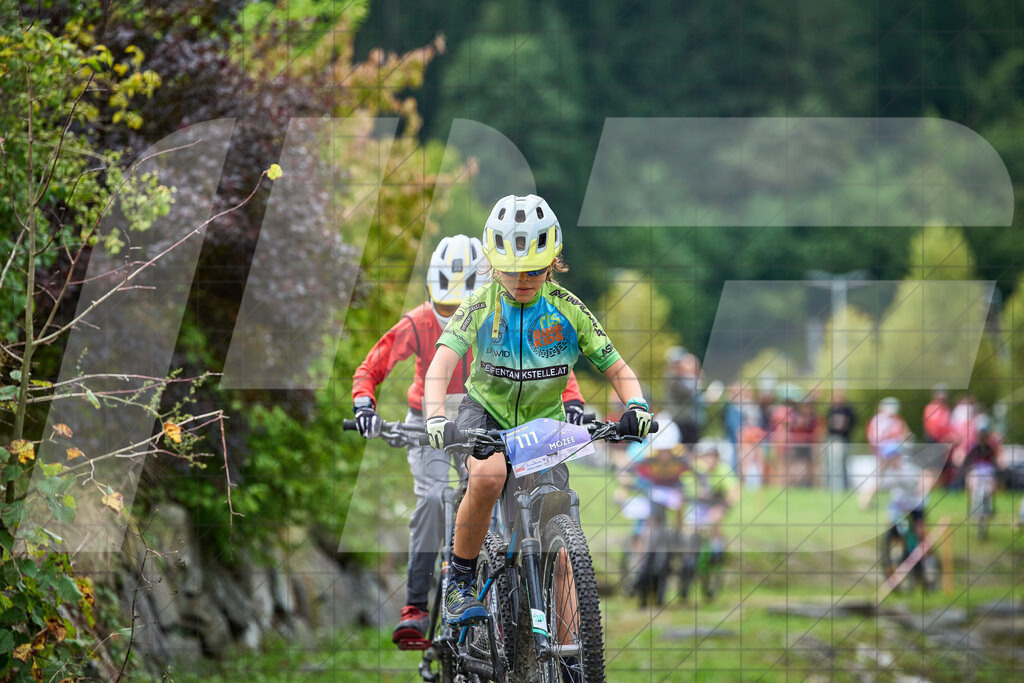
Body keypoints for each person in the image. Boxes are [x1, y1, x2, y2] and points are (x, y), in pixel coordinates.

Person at [423, 194, 652, 628]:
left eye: (534, 269)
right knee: (488, 476)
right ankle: (460, 581)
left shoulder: (568, 309)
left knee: (560, 539)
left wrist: (636, 405)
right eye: (510, 270)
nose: (522, 279)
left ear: (553, 263)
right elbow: (441, 366)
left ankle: (568, 656)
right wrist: (436, 415)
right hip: (484, 411)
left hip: (542, 426)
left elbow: (617, 368)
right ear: (493, 265)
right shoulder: (479, 305)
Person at [351, 234, 586, 646]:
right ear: (430, 296)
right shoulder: (419, 322)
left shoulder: (503, 314)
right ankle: (416, 607)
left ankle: (518, 598)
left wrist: (573, 402)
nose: (450, 314)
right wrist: (364, 406)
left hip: (489, 414)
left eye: (457, 305)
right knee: (430, 501)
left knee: (505, 496)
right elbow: (373, 365)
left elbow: (548, 368)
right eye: (443, 306)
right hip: (430, 418)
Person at [686, 439, 741, 561]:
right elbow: (686, 486)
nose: (709, 460)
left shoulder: (724, 470)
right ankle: (690, 554)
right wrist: (696, 492)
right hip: (699, 503)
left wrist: (723, 506)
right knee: (691, 526)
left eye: (712, 456)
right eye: (706, 456)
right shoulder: (696, 468)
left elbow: (734, 491)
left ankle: (717, 549)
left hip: (718, 503)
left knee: (714, 521)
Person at [859, 397, 912, 509]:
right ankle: (865, 501)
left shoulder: (896, 420)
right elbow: (875, 438)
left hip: (894, 453)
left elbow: (905, 435)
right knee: (880, 477)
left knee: (897, 476)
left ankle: (900, 502)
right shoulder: (879, 420)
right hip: (884, 453)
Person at [825, 387, 857, 491]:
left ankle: (846, 487)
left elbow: (854, 423)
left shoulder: (848, 410)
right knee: (834, 465)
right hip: (834, 440)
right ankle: (835, 488)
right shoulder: (831, 410)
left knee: (845, 464)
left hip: (845, 439)